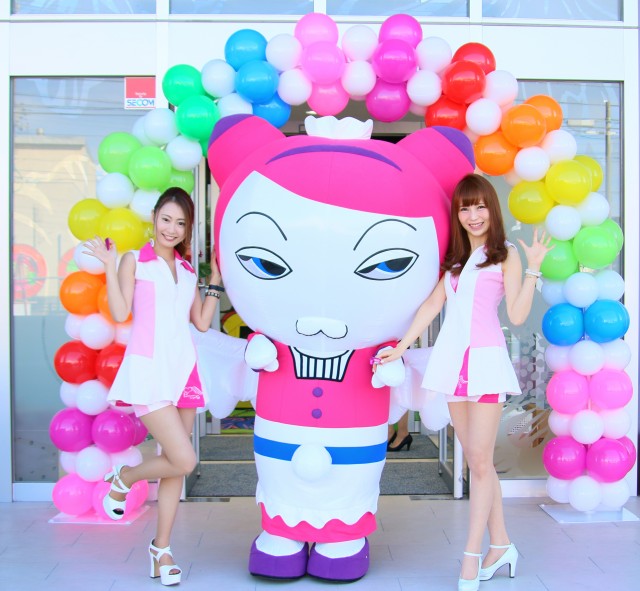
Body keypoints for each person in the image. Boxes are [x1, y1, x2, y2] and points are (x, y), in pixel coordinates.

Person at [377, 174, 553, 591]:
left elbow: (516, 315)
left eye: (480, 206)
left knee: (479, 459)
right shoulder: (456, 261)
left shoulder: (504, 254)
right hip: (453, 364)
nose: (473, 215)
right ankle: (502, 545)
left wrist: (534, 269)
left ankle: (472, 555)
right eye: (465, 208)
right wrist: (400, 347)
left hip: (486, 364)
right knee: (477, 461)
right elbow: (432, 305)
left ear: (492, 209)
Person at [84, 187, 222, 587]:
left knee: (175, 466)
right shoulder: (135, 261)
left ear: (187, 229)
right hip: (148, 373)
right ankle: (125, 478)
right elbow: (120, 311)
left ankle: (161, 550)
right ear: (154, 217)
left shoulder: (188, 271)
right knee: (185, 459)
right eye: (166, 219)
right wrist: (110, 266)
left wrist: (214, 280)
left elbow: (200, 322)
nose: (171, 229)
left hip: (183, 372)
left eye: (180, 223)